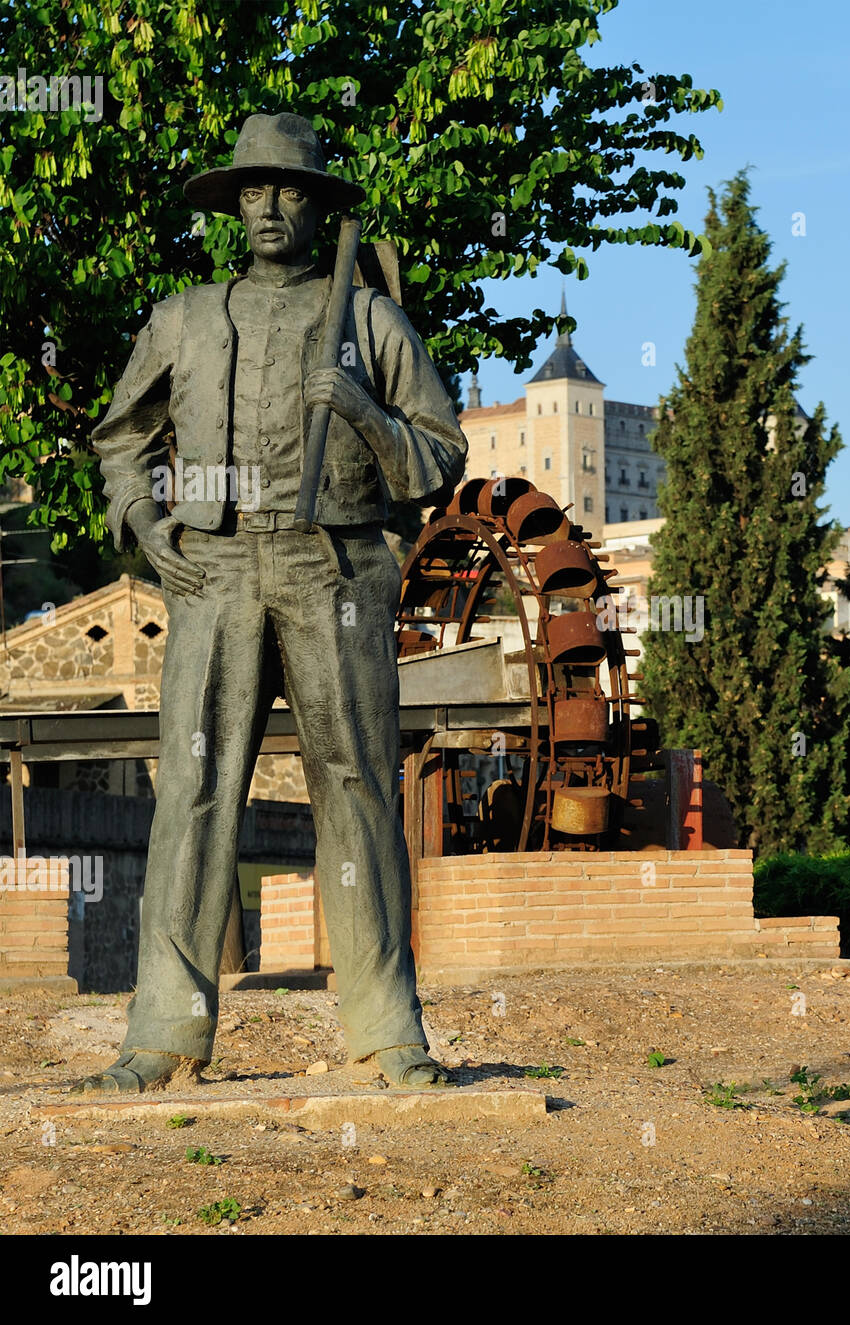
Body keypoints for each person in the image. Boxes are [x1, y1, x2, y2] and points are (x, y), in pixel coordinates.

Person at [79, 112, 467, 1092]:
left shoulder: (367, 319)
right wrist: (144, 518)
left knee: (358, 787)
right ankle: (162, 1033)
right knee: (195, 794)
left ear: (316, 205)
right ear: (232, 205)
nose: (267, 207)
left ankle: (388, 1030)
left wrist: (366, 414)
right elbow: (121, 435)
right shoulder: (182, 315)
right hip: (212, 569)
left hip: (333, 566)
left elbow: (441, 453)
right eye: (252, 191)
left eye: (289, 191)